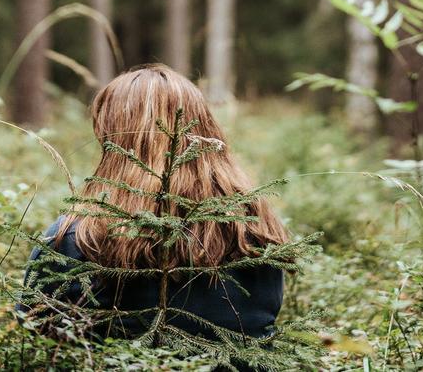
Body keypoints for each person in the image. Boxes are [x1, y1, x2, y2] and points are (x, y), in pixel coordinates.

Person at [19, 63, 289, 340]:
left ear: (112, 140)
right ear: (206, 129)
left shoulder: (75, 239)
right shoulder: (257, 231)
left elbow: (34, 332)